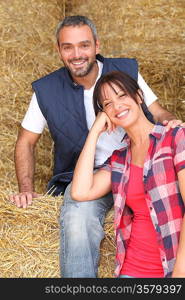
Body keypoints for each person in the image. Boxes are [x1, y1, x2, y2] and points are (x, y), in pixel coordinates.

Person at [9, 15, 185, 278]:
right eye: (68, 47)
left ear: (97, 45)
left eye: (84, 45)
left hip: (142, 163)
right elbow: (25, 141)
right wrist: (26, 190)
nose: (77, 54)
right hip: (93, 175)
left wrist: (173, 128)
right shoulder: (46, 90)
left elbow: (158, 112)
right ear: (59, 51)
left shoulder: (126, 75)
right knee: (77, 219)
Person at [71, 70, 185, 278]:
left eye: (122, 95)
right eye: (107, 104)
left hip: (173, 269)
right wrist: (95, 132)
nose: (117, 106)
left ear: (139, 96)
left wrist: (180, 271)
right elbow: (80, 192)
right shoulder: (120, 159)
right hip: (132, 270)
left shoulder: (175, 138)